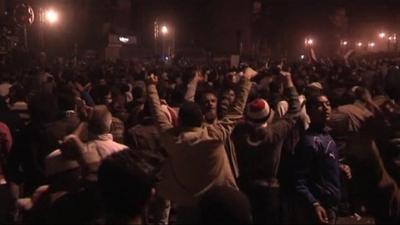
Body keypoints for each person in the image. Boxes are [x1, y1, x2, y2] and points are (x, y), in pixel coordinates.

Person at [146, 67, 256, 223]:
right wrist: (245, 81)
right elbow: (237, 110)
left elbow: (158, 115)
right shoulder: (214, 135)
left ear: (180, 122)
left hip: (188, 208)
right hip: (219, 205)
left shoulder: (172, 139)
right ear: (201, 120)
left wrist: (150, 86)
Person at [293, 94, 351, 225]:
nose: (326, 108)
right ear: (309, 111)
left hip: (332, 205)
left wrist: (340, 167)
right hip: (320, 207)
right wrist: (314, 204)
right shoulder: (309, 142)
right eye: (319, 105)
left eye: (328, 104)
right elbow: (299, 180)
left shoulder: (327, 135)